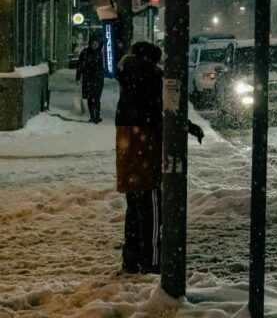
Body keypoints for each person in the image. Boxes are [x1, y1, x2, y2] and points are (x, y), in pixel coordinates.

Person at [115, 41, 204, 274]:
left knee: (134, 207)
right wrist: (188, 127)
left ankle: (131, 259)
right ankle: (153, 261)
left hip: (127, 148)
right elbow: (165, 112)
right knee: (152, 207)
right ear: (153, 60)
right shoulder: (153, 78)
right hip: (146, 147)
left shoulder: (128, 77)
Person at [76, 36, 105, 123]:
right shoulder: (85, 53)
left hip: (98, 79)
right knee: (90, 98)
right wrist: (78, 76)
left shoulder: (101, 53)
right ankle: (92, 116)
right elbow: (80, 65)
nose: (95, 45)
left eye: (97, 43)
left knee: (97, 98)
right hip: (88, 78)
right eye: (93, 43)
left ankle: (97, 116)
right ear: (90, 43)